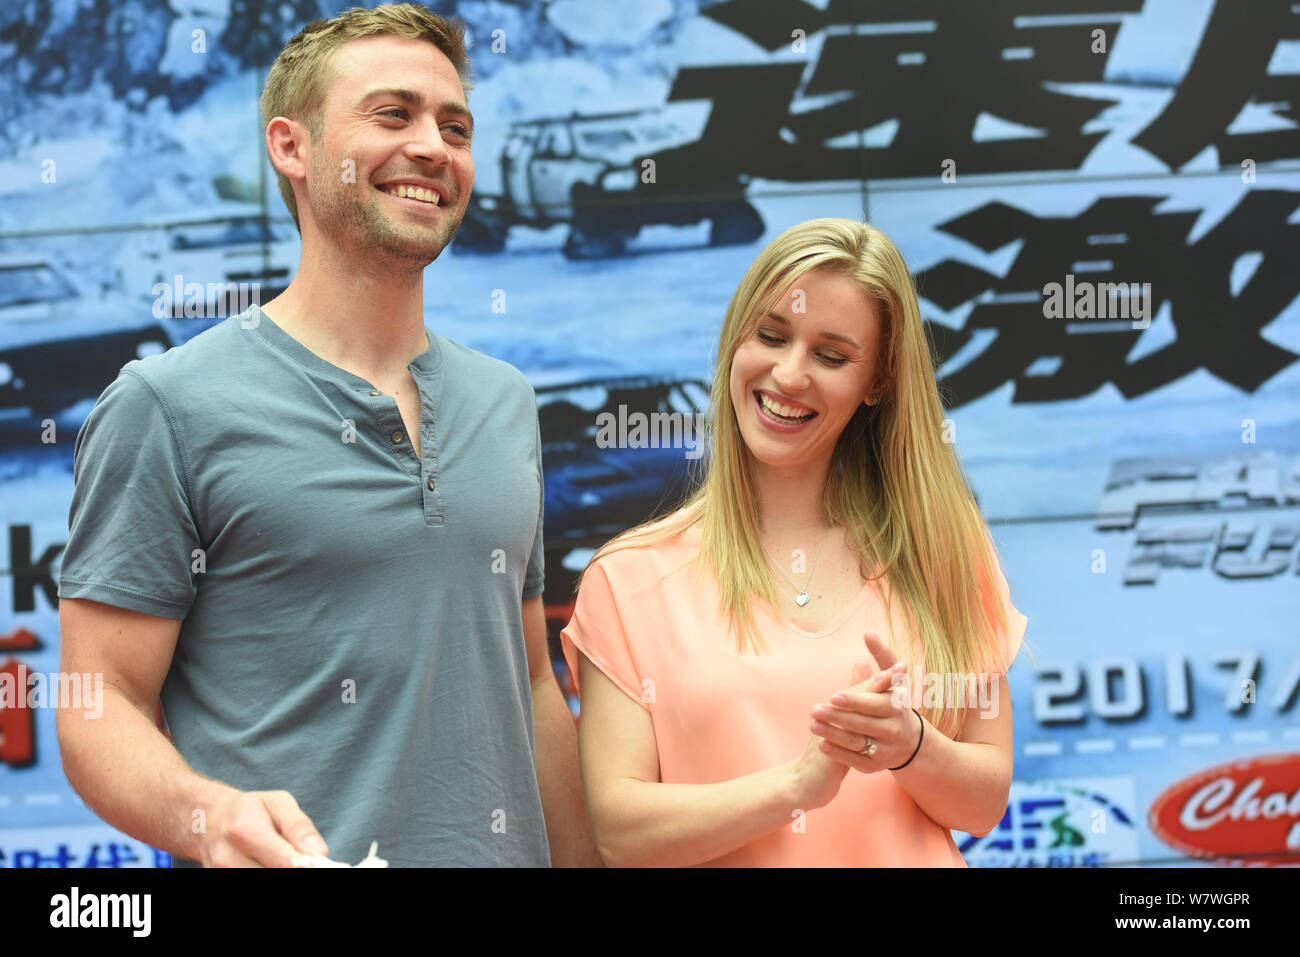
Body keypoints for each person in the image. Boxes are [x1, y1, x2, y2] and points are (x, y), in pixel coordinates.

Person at [57, 3, 599, 868]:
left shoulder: (506, 400)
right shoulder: (166, 404)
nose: (433, 146)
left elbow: (532, 682)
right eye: (393, 114)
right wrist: (208, 815)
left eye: (454, 125)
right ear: (291, 147)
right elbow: (98, 699)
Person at [561, 218, 1032, 867]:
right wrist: (795, 788)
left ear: (878, 381)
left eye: (831, 355)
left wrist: (911, 745)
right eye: (772, 335)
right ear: (735, 340)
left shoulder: (945, 554)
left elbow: (981, 804)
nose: (788, 373)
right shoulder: (629, 579)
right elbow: (621, 833)